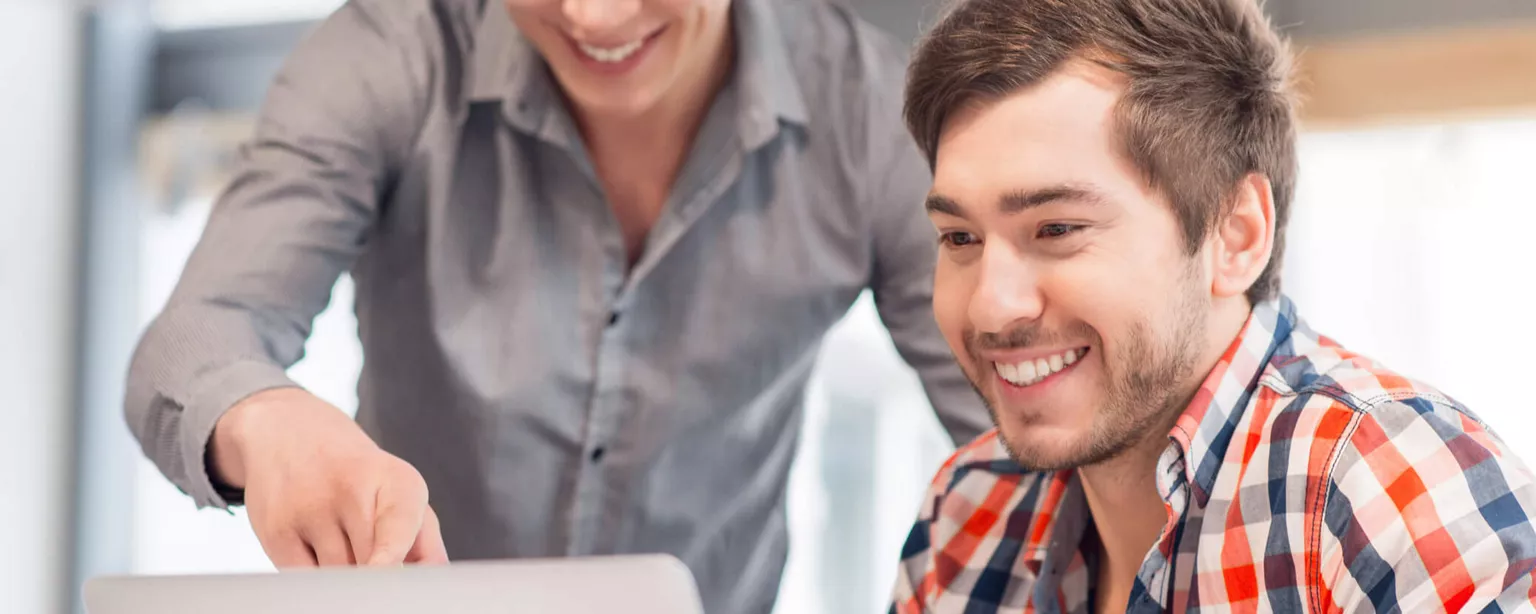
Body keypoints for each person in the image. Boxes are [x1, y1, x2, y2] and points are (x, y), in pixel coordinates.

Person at [122, 0, 990, 612]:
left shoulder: (871, 111)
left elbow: (1016, 434)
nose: (594, 16)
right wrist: (269, 423)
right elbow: (191, 343)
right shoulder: (391, 51)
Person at [887, 0, 1536, 612]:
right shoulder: (964, 515)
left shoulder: (1383, 486)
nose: (991, 308)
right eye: (960, 238)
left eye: (1056, 229)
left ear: (1236, 235)